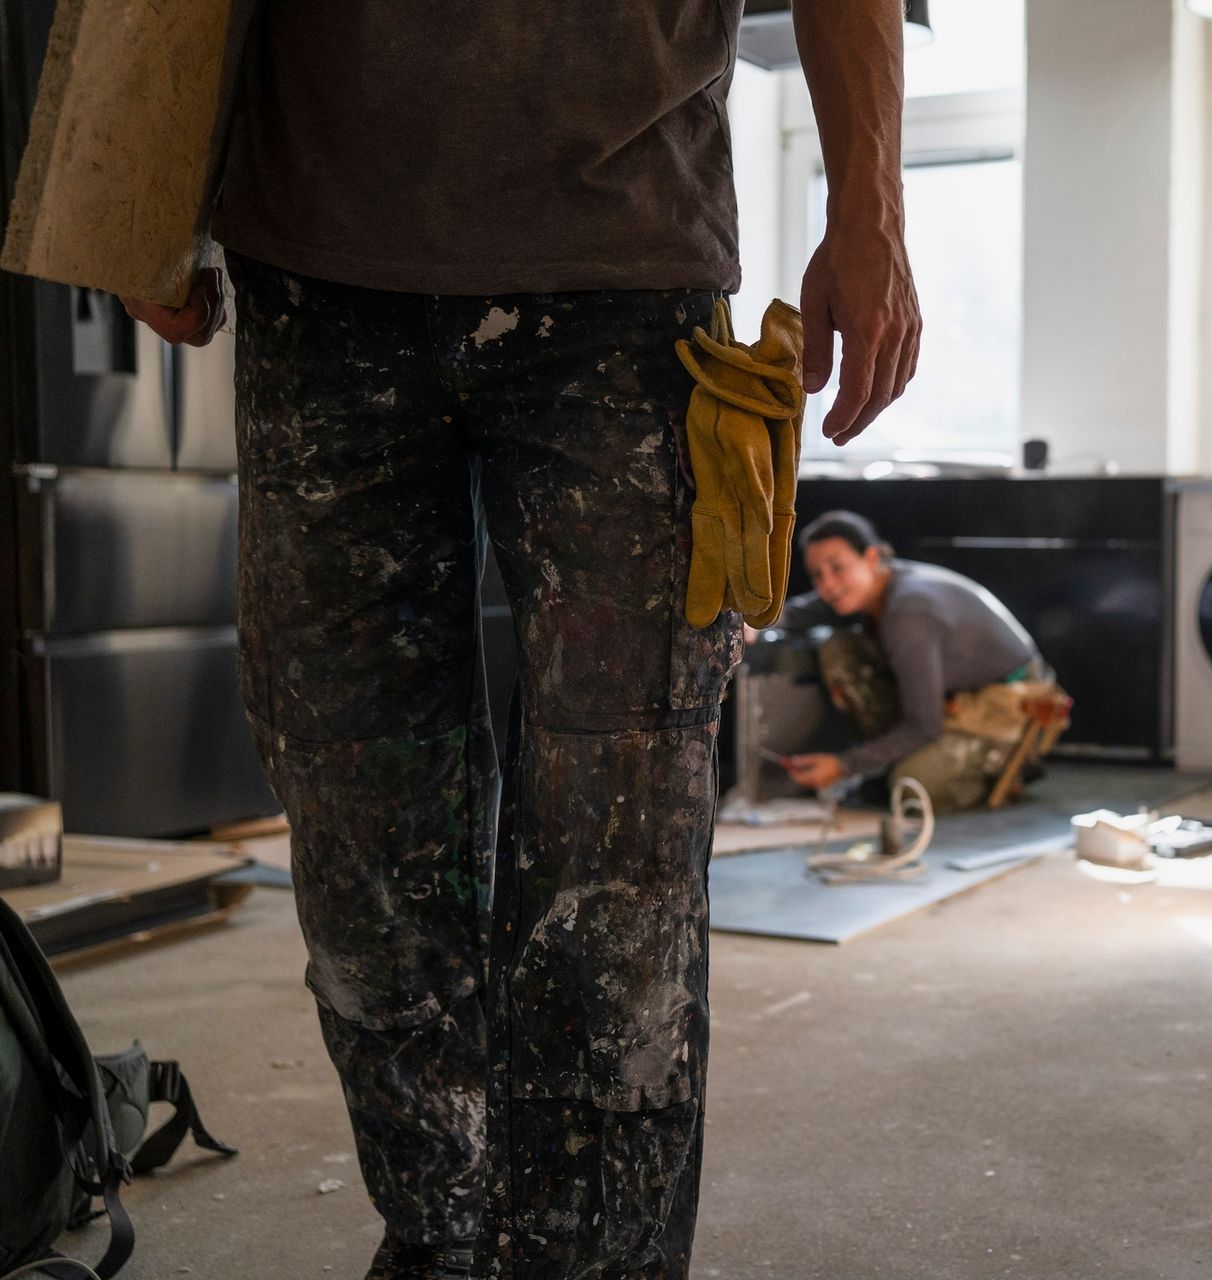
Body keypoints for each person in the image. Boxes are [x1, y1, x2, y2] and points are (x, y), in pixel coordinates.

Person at [119, 5, 921, 1278]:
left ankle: (592, 1263)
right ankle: (439, 1234)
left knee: (621, 850)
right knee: (358, 825)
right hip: (318, 266)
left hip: (626, 268)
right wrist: (134, 175)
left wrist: (869, 208)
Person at [774, 512, 1052, 813]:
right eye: (817, 574)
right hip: (953, 699)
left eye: (838, 568)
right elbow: (809, 609)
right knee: (839, 649)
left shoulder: (908, 614)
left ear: (871, 557)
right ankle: (897, 762)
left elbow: (923, 724)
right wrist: (754, 625)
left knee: (911, 787)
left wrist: (843, 766)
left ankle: (1007, 766)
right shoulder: (882, 580)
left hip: (1008, 707)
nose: (828, 584)